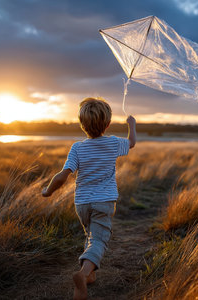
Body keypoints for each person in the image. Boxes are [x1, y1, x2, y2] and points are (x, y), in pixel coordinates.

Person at [41, 97, 136, 300]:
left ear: (82, 125)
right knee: (99, 239)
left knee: (91, 236)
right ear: (108, 124)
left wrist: (48, 192)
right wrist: (132, 125)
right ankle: (83, 275)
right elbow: (132, 143)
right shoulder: (113, 143)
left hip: (82, 203)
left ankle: (90, 273)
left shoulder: (77, 148)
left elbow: (63, 175)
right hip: (104, 201)